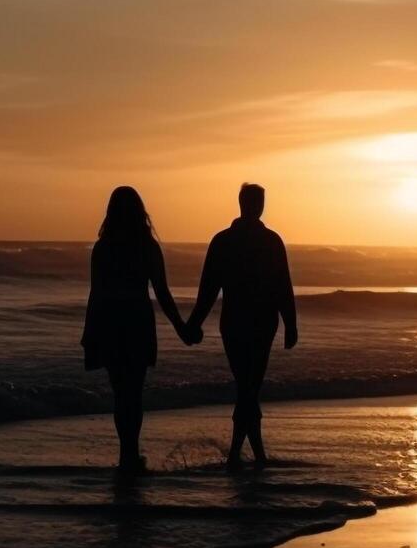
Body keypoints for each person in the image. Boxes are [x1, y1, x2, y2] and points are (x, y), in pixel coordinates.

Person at [184, 183, 298, 468]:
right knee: (249, 387)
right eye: (256, 201)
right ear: (251, 204)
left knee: (247, 387)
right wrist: (290, 323)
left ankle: (242, 454)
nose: (258, 205)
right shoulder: (264, 241)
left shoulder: (226, 241)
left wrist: (193, 325)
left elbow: (281, 285)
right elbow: (210, 288)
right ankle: (250, 454)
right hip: (253, 322)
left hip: (241, 323)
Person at [82, 186, 191, 474]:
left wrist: (90, 333)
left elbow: (97, 293)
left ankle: (126, 452)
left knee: (121, 393)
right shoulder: (147, 246)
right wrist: (181, 327)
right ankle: (131, 451)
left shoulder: (103, 248)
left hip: (110, 321)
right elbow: (162, 292)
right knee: (134, 392)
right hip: (138, 321)